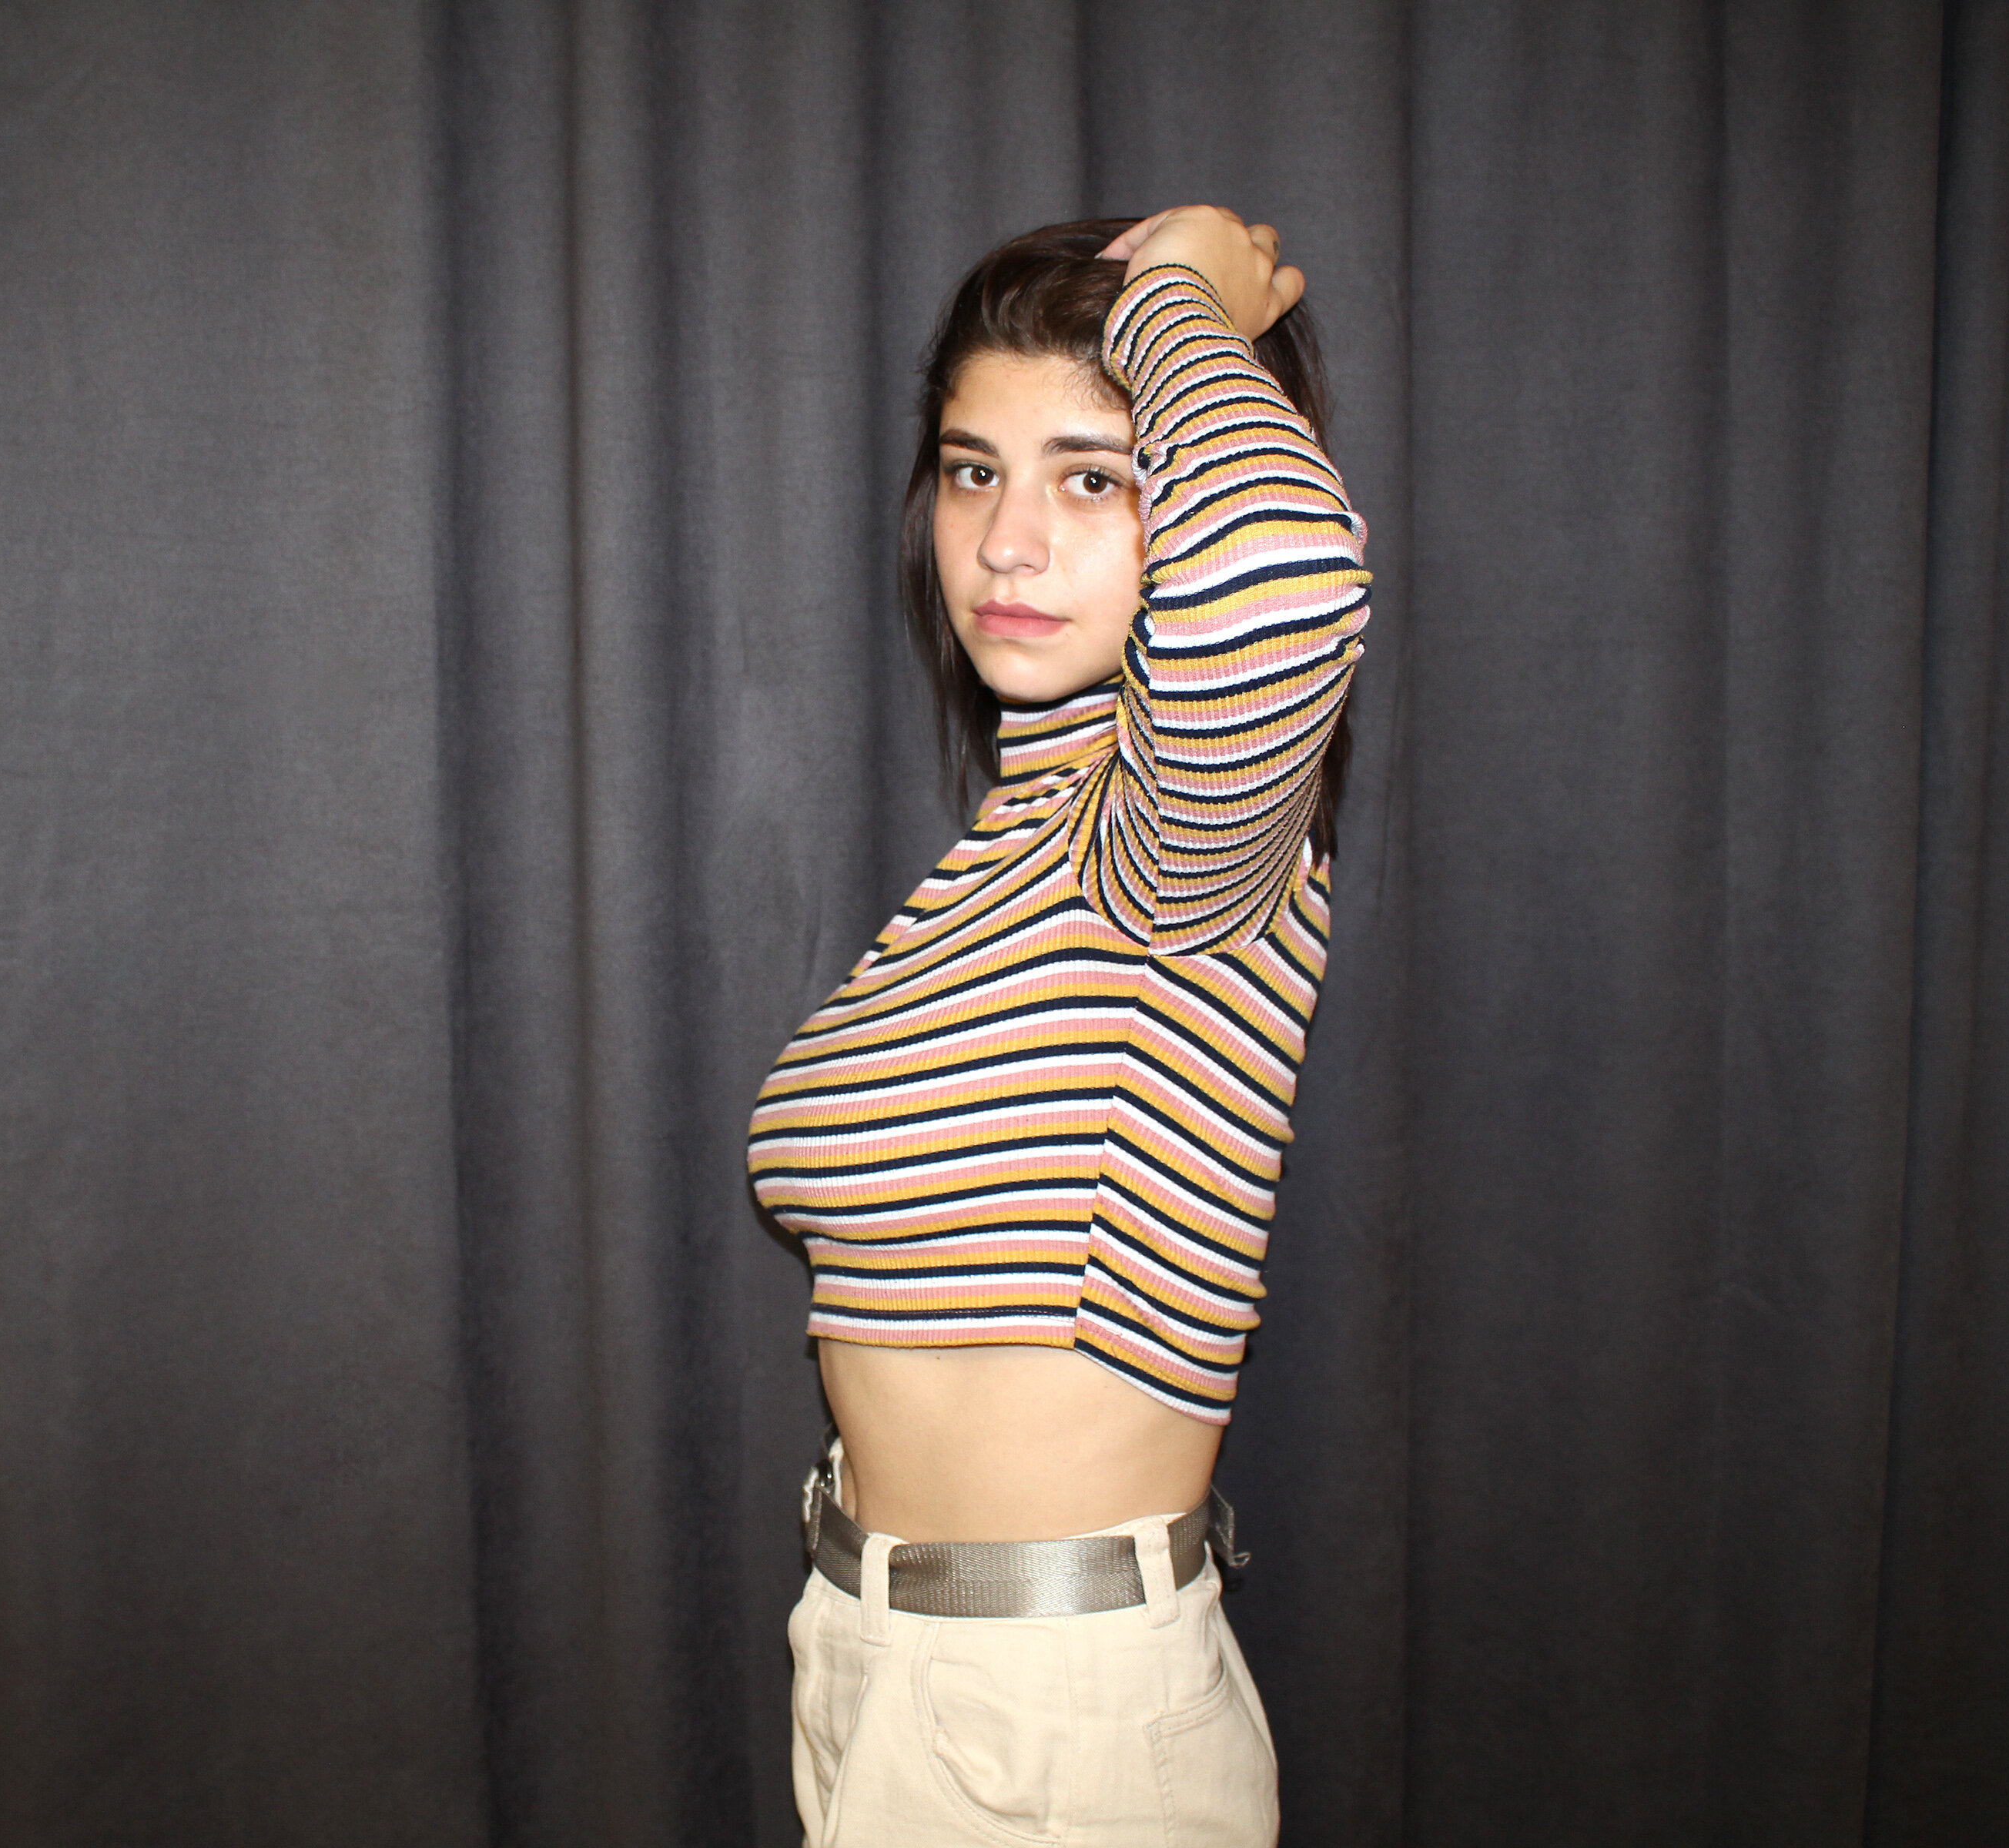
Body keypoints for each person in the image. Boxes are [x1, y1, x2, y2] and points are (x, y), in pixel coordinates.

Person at [747, 204, 1369, 1846]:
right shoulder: (1021, 847)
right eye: (976, 471)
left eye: (1095, 479)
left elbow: (1285, 584)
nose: (1008, 543)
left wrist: (1178, 297)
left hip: (1046, 1725)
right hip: (887, 1668)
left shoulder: (1183, 849)